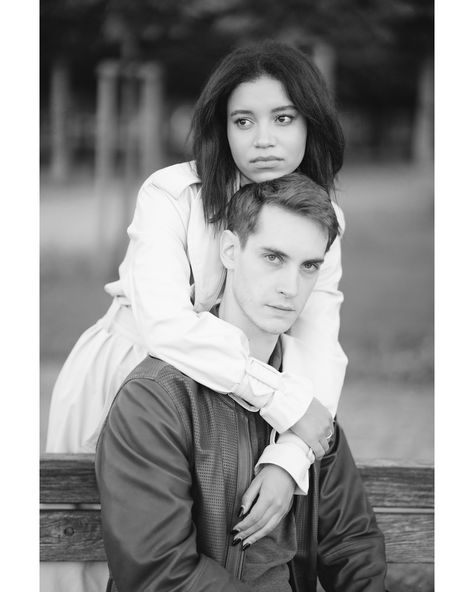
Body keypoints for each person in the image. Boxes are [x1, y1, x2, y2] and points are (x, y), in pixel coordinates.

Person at [44, 40, 347, 591]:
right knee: (86, 559)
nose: (263, 139)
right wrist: (283, 400)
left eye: (283, 118)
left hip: (230, 397)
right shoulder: (171, 193)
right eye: (242, 120)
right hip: (132, 375)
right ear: (221, 127)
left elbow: (318, 343)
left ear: (311, 124)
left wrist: (290, 456)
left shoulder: (323, 217)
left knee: (213, 546)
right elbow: (167, 327)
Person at [96, 173, 387, 591]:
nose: (290, 287)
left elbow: (351, 543)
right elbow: (159, 575)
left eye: (308, 267)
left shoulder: (308, 393)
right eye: (273, 257)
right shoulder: (156, 399)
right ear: (231, 251)